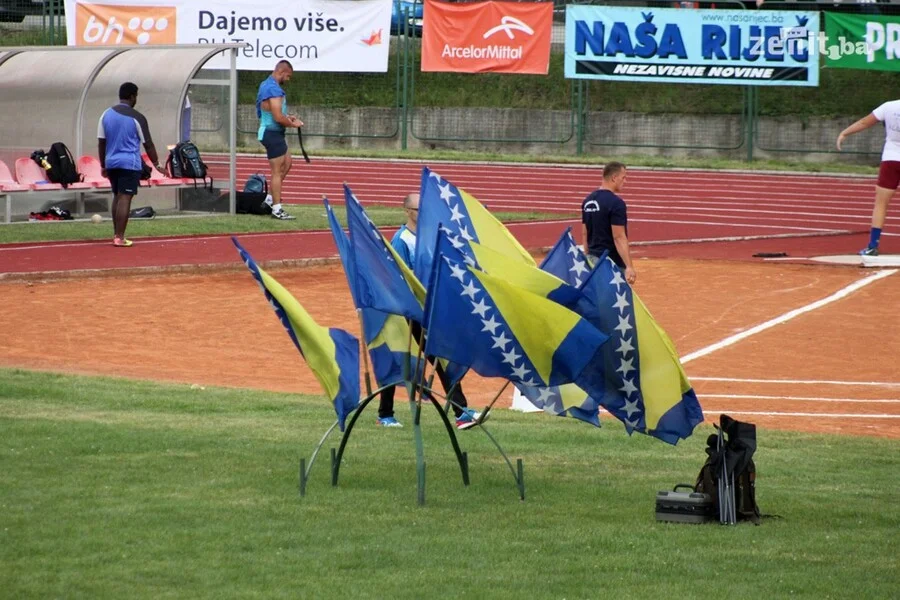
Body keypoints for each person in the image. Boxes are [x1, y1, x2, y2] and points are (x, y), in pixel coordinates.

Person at [376, 193, 485, 430]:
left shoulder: (429, 237)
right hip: (410, 311)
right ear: (406, 211)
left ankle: (459, 411)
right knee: (407, 357)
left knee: (436, 357)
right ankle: (459, 411)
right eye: (417, 210)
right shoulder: (402, 240)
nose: (422, 214)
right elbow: (399, 277)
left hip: (429, 308)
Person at [97, 82, 160, 248]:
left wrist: (103, 164)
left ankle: (116, 233)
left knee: (117, 196)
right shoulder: (137, 117)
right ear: (132, 96)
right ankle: (120, 236)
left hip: (111, 162)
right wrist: (157, 164)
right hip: (129, 163)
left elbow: (101, 142)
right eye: (136, 96)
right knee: (125, 197)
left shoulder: (105, 115)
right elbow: (148, 144)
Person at [837, 98, 900, 257]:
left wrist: (845, 133)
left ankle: (872, 246)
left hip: (890, 159)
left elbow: (865, 122)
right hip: (891, 158)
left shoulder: (889, 106)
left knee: (881, 204)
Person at [256, 60, 303, 221]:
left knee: (288, 163)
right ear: (281, 72)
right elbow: (277, 117)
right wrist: (292, 123)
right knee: (277, 171)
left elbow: (273, 112)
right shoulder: (273, 89)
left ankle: (269, 200)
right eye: (288, 76)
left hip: (274, 132)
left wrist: (287, 118)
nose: (288, 80)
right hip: (271, 133)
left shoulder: (266, 85)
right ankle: (277, 208)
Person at [581, 161, 636, 284]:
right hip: (611, 263)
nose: (625, 181)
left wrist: (587, 255)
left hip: (592, 260)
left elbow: (585, 233)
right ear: (614, 178)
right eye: (623, 177)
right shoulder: (616, 203)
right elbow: (619, 237)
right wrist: (629, 266)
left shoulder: (588, 201)